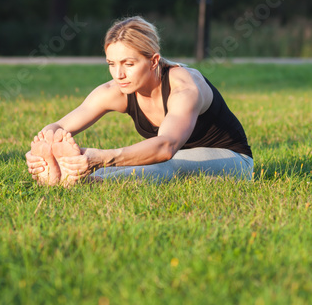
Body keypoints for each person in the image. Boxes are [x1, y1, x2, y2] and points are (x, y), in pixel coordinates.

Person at [25, 16, 253, 184]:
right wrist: (43, 148)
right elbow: (60, 126)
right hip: (167, 158)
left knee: (164, 164)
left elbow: (166, 147)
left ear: (154, 61)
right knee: (148, 164)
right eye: (111, 64)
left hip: (231, 160)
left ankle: (86, 181)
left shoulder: (184, 87)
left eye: (129, 64)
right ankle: (66, 174)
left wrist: (102, 158)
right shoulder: (116, 90)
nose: (118, 74)